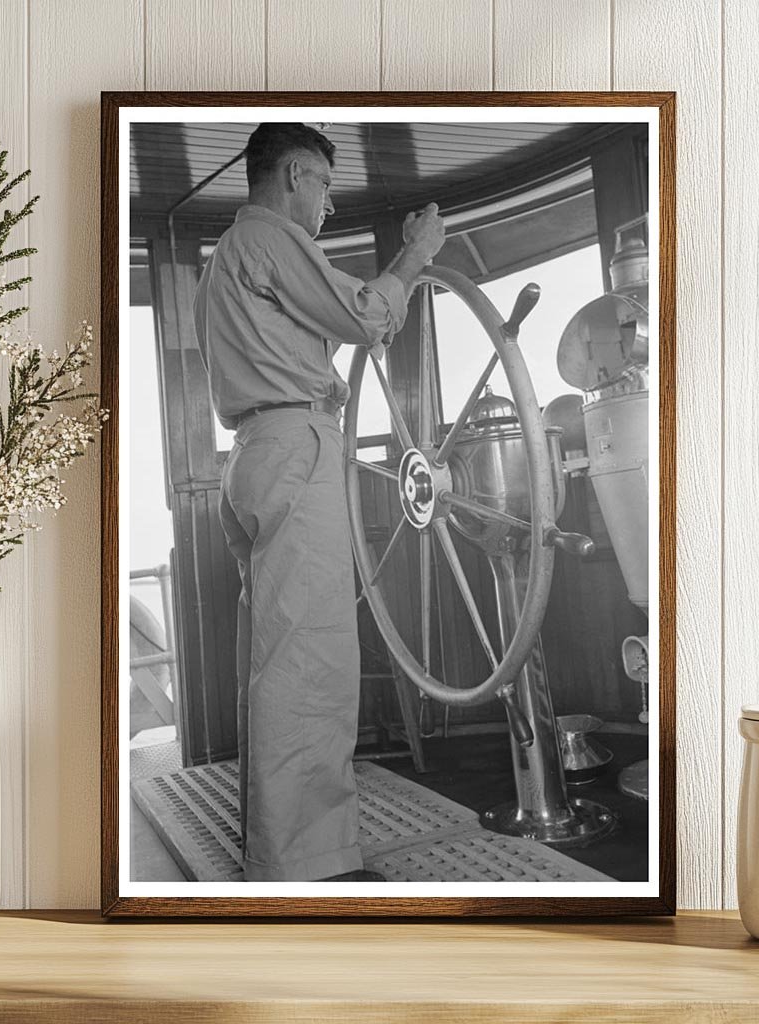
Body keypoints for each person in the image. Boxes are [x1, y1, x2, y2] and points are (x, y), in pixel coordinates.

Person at [193, 123, 445, 882]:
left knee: (276, 658)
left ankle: (277, 847)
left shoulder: (224, 262)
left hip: (254, 457)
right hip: (295, 451)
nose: (328, 208)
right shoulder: (268, 238)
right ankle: (309, 867)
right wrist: (416, 255)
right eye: (327, 190)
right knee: (311, 659)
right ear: (298, 174)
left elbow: (336, 322)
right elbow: (367, 316)